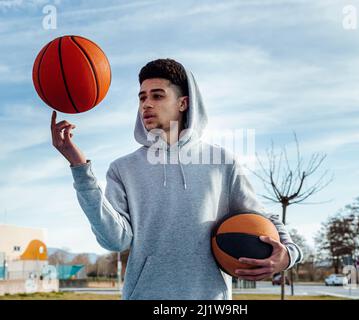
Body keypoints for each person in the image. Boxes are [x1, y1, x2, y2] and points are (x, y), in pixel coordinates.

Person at [50, 58, 303, 300]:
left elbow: (259, 219)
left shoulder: (221, 163)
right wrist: (80, 168)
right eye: (142, 97)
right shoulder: (123, 169)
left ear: (183, 103)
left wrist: (289, 254)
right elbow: (115, 240)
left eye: (157, 95)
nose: (146, 104)